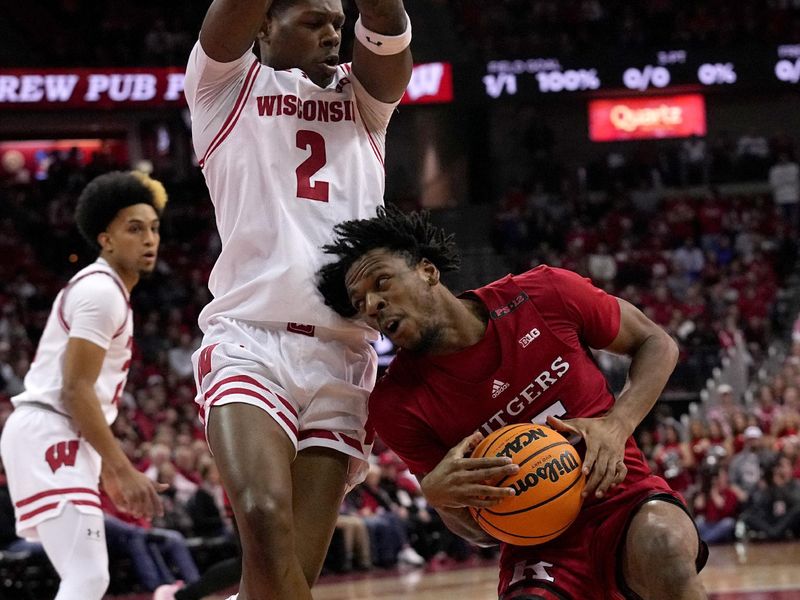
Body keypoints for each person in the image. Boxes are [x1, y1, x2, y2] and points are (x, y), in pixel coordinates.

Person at [316, 206, 709, 600]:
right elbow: (480, 533)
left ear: (428, 271)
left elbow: (656, 342)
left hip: (623, 500)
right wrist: (443, 500)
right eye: (361, 301)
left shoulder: (543, 294)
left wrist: (617, 423)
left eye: (382, 282)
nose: (372, 305)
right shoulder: (395, 403)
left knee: (664, 544)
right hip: (537, 545)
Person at [183, 0, 412, 597]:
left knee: (287, 580)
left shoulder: (366, 102)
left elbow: (387, 23)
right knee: (259, 514)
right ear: (265, 25)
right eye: (314, 21)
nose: (332, 32)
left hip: (343, 358)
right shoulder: (222, 90)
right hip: (251, 340)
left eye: (337, 22)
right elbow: (227, 16)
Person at [0, 171, 168, 600]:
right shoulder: (101, 292)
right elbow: (76, 389)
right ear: (105, 238)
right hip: (50, 429)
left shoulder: (108, 290)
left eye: (153, 228)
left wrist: (103, 464)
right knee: (88, 577)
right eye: (134, 228)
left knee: (87, 576)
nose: (149, 239)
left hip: (58, 433)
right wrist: (119, 467)